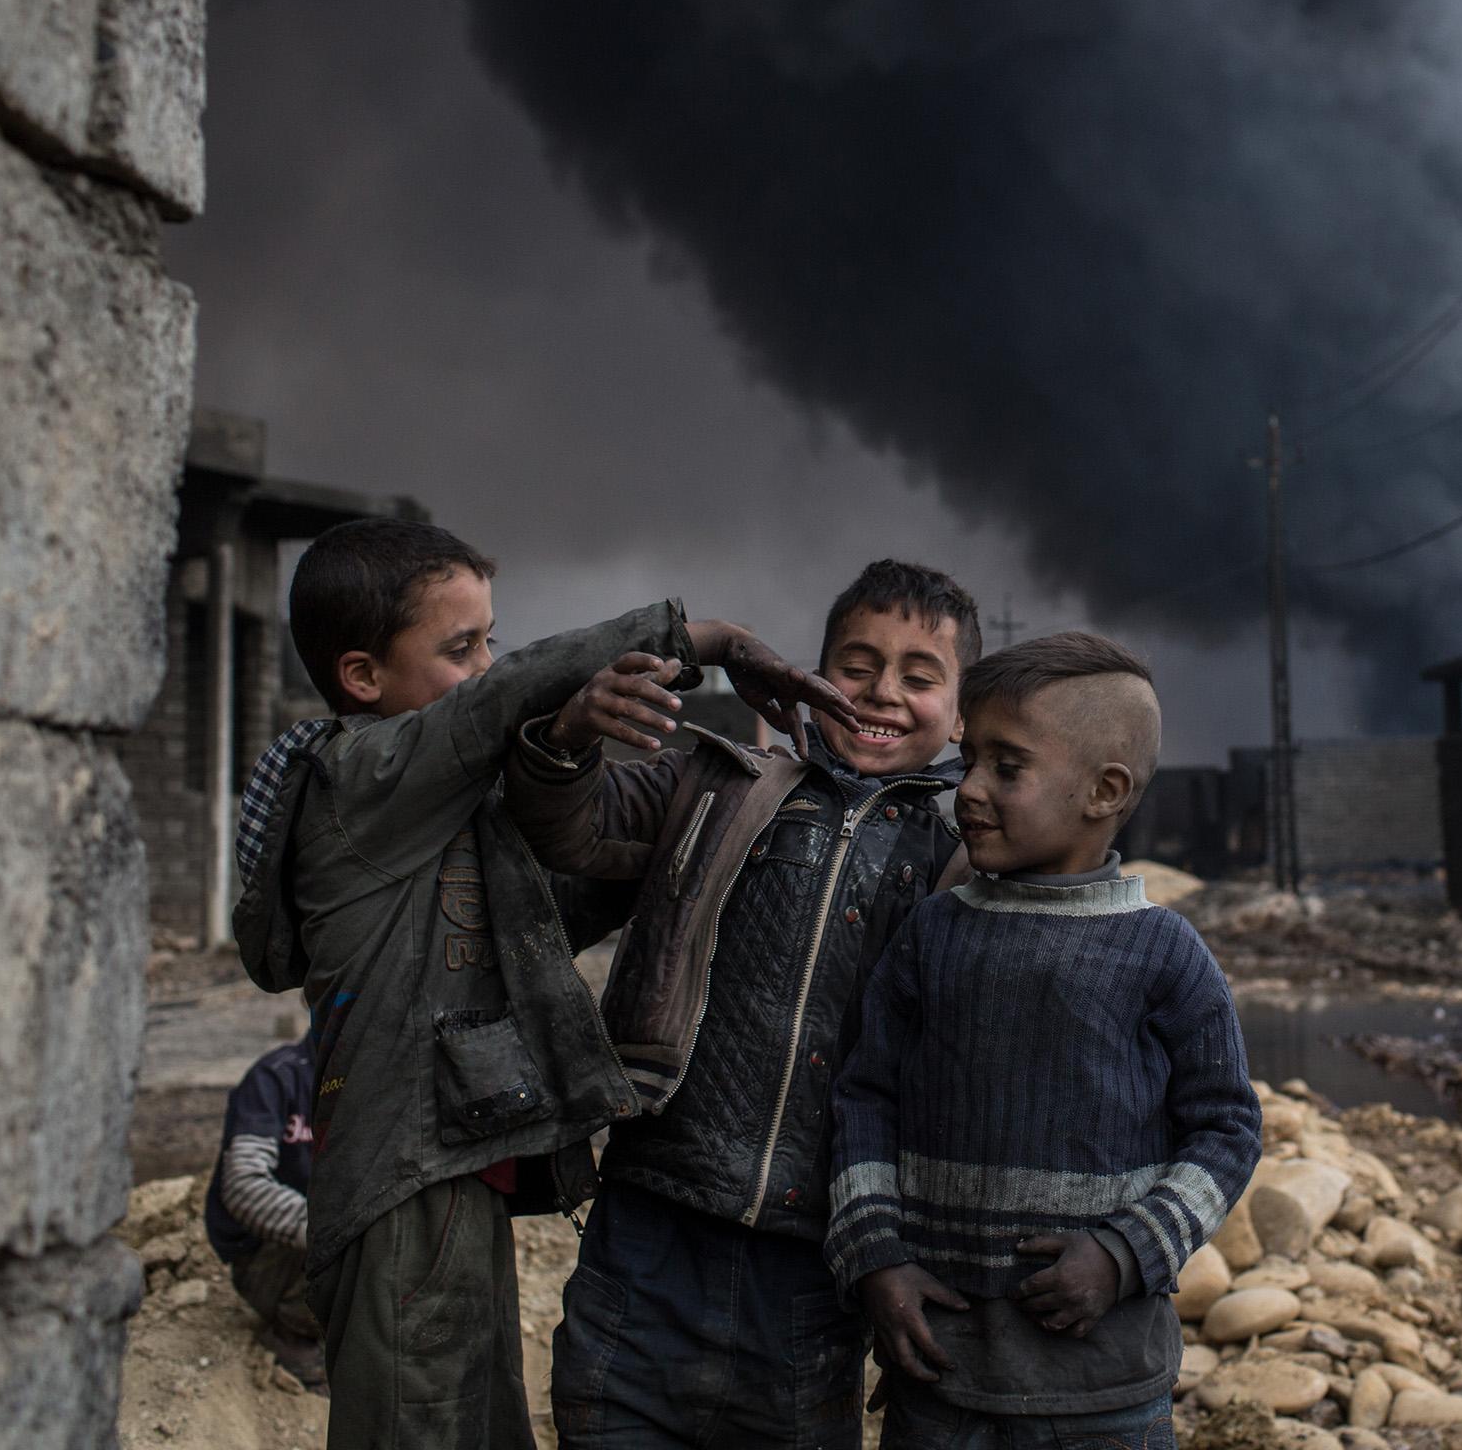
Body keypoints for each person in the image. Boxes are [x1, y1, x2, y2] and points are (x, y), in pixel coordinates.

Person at [231, 516, 848, 1450]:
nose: (486, 666)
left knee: (481, 1417)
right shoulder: (352, 776)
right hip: (401, 1181)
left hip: (453, 1167)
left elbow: (544, 916)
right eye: (459, 648)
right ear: (363, 677)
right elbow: (497, 707)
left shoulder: (441, 814)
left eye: (492, 641)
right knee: (421, 1423)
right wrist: (703, 640)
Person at [502, 559, 981, 1448]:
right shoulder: (712, 785)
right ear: (812, 672)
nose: (882, 692)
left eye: (921, 677)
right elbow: (565, 824)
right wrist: (568, 733)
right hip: (646, 1237)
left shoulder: (959, 864)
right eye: (857, 664)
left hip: (814, 1278)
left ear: (960, 714)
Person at [826, 632, 1263, 1449]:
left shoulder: (1162, 951)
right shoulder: (933, 934)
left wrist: (1125, 1252)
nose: (971, 790)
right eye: (972, 760)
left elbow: (1228, 1129)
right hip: (939, 1379)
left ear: (1104, 790)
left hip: (1104, 1392)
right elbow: (866, 1099)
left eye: (1008, 766)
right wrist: (877, 1258)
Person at [204, 1039, 322, 1387]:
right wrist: (335, 1230)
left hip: (323, 1240)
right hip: (267, 1256)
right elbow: (244, 1187)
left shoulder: (375, 1078)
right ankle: (295, 1335)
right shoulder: (277, 1077)